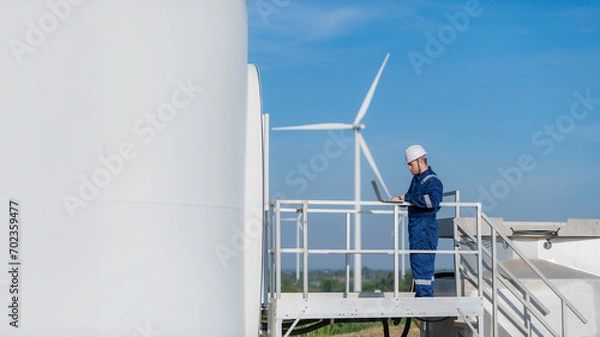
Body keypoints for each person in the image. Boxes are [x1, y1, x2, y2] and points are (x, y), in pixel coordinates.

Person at [390, 145, 443, 297]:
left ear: (420, 161)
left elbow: (432, 201)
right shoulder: (417, 180)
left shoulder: (432, 181)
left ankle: (425, 299)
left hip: (425, 229)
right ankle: (421, 296)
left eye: (410, 164)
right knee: (417, 264)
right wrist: (400, 198)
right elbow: (412, 197)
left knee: (423, 264)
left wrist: (407, 198)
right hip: (416, 228)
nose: (409, 168)